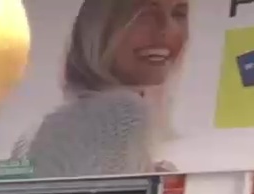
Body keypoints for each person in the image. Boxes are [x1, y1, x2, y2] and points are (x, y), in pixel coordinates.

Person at [15, 0, 188, 179]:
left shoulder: (47, 126)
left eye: (179, 14)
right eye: (146, 15)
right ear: (101, 28)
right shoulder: (122, 110)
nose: (167, 29)